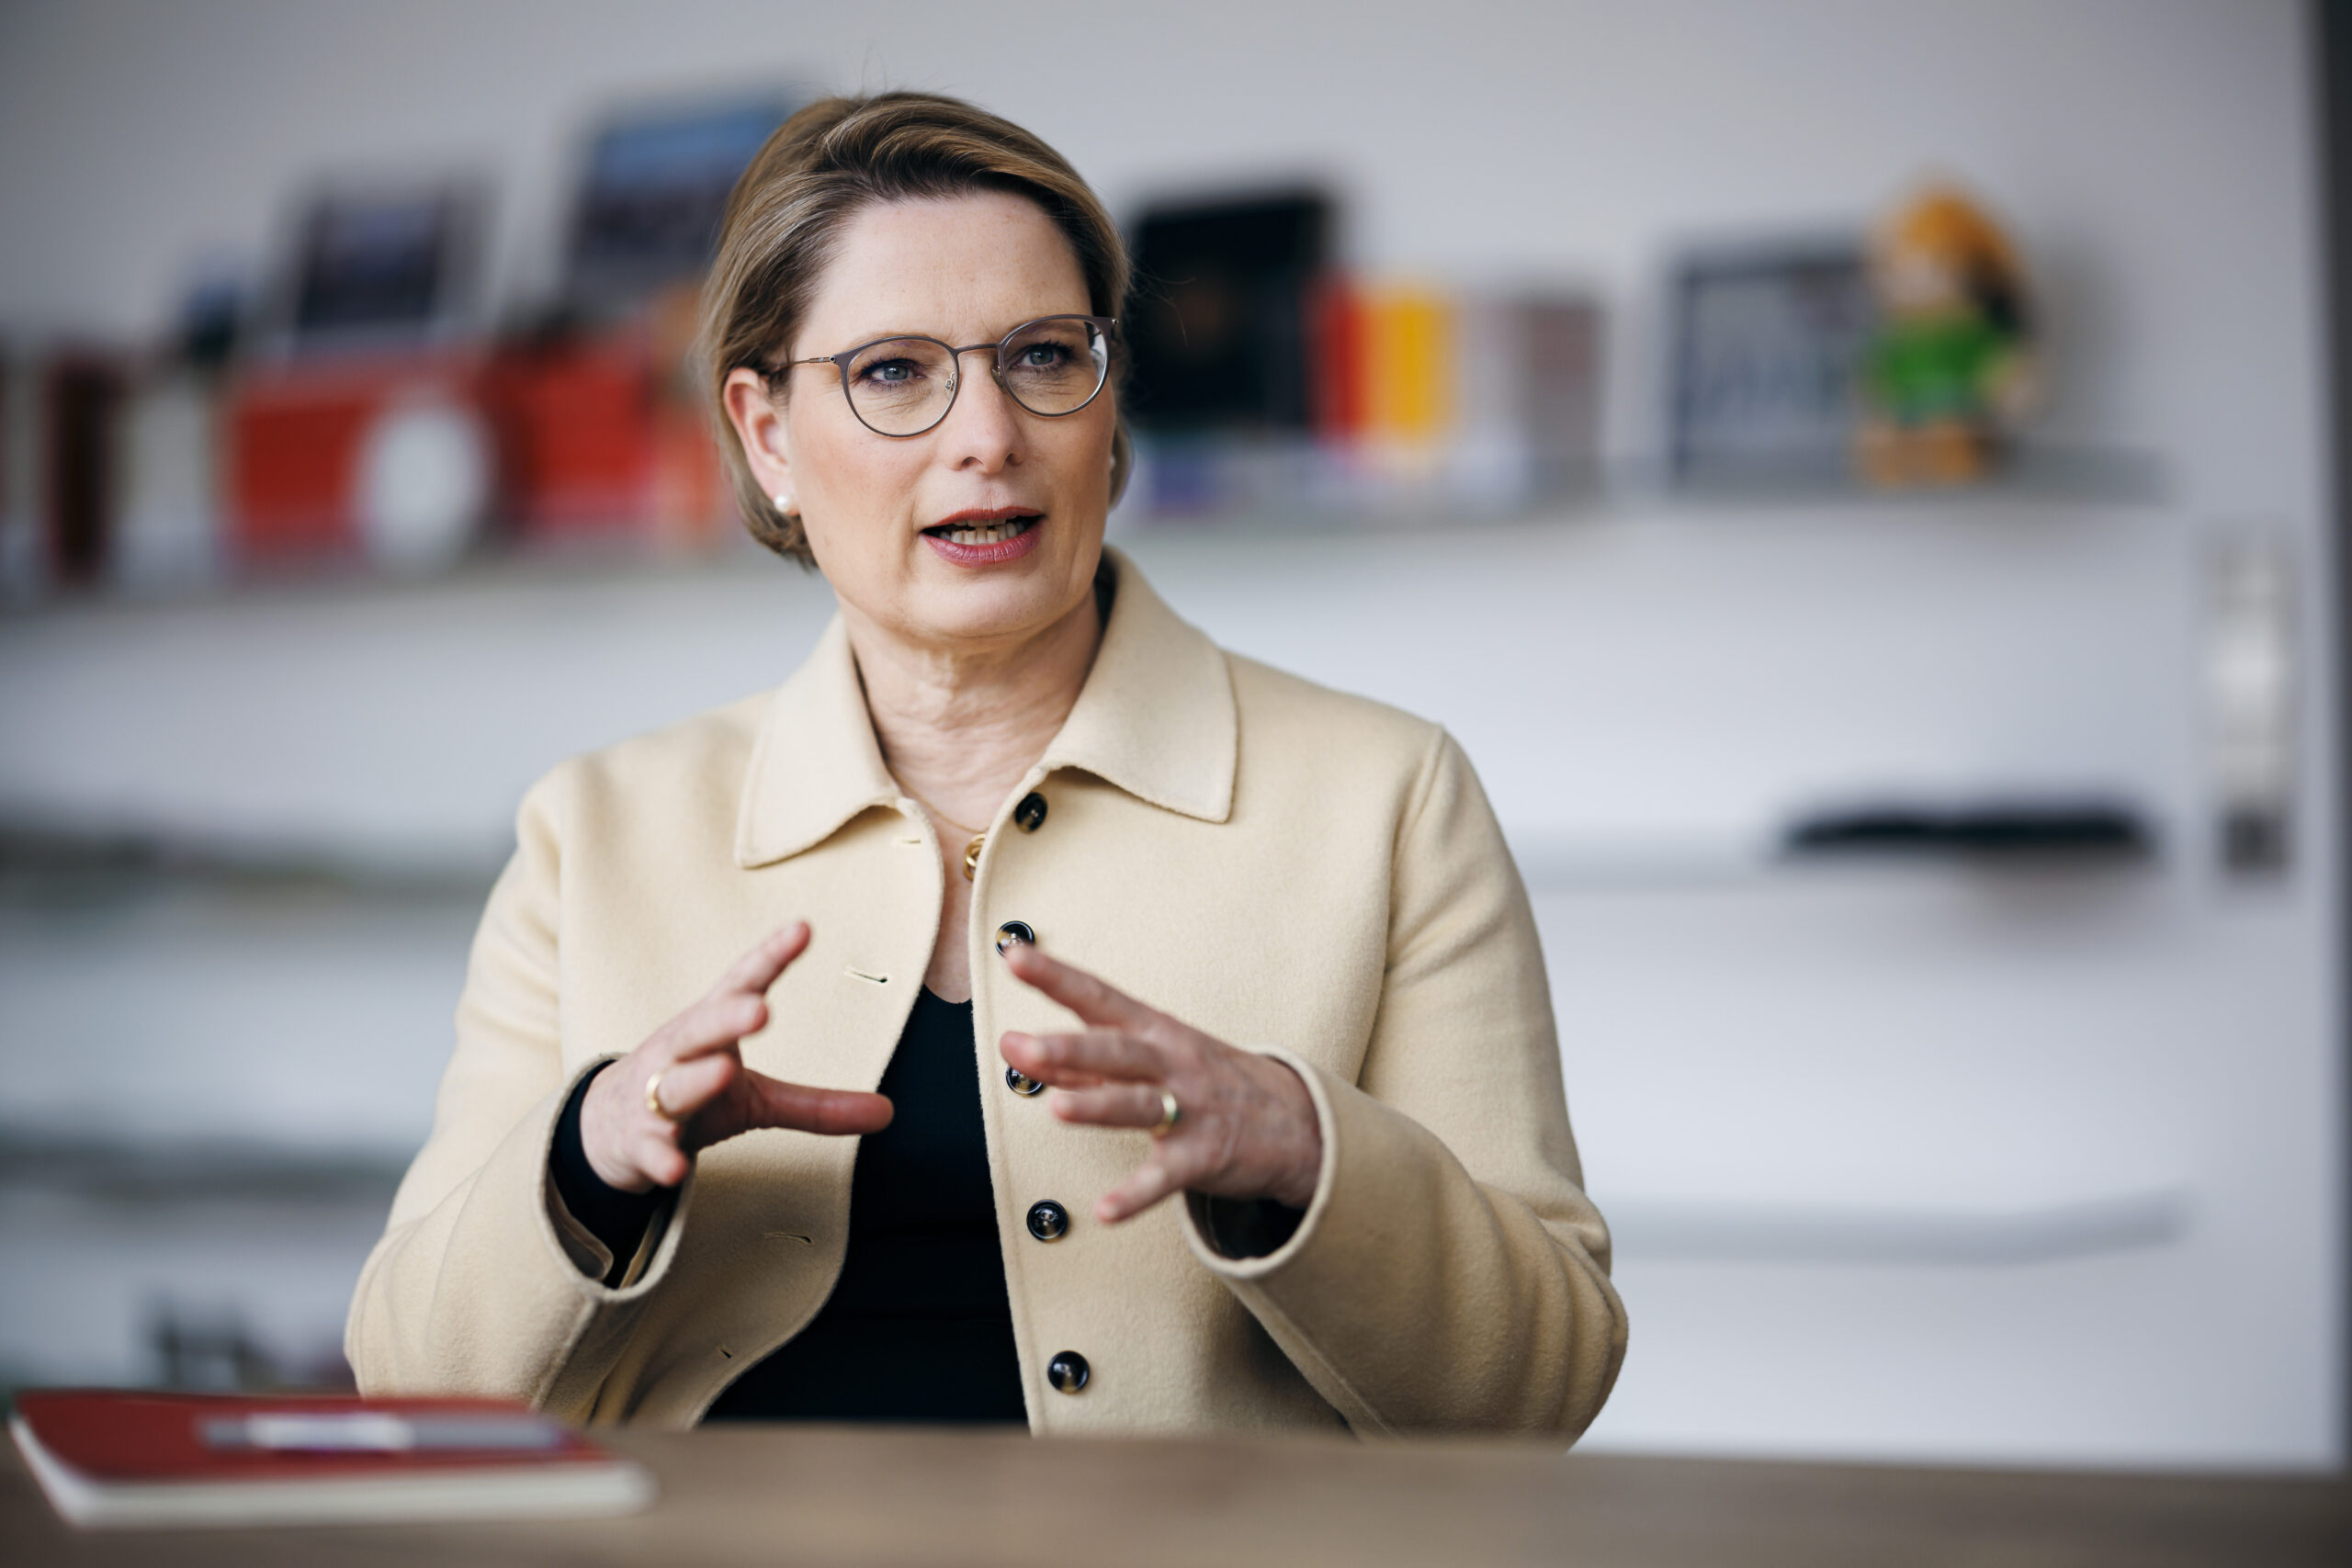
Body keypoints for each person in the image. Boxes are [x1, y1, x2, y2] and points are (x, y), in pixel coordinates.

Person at [345, 91, 1627, 1437]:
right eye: (895, 370)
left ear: (1107, 398)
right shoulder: (592, 831)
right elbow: (413, 1380)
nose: (988, 437)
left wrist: (1310, 1159)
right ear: (768, 433)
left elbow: (1541, 1387)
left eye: (1040, 356)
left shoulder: (1387, 797)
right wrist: (595, 1152)